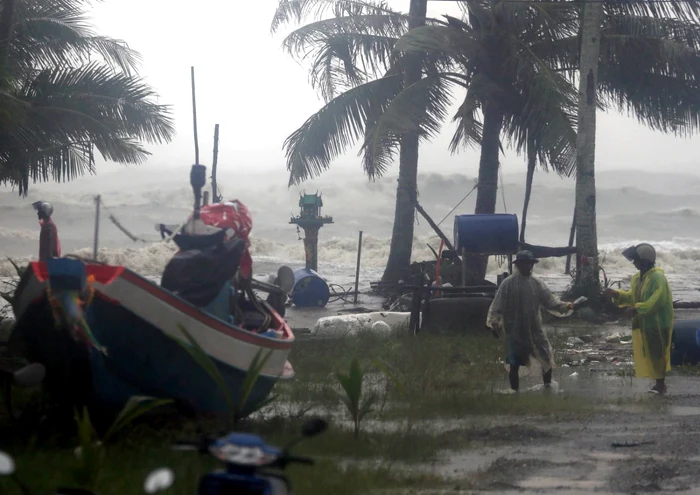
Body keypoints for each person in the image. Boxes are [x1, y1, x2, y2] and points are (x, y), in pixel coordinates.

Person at [487, 250, 574, 392]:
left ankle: (547, 387)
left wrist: (566, 305)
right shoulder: (508, 283)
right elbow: (497, 305)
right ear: (518, 265)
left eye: (529, 263)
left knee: (546, 357)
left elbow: (550, 302)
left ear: (532, 264)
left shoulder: (537, 283)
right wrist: (494, 322)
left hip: (534, 328)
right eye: (523, 263)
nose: (527, 266)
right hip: (514, 329)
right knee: (514, 363)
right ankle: (515, 391)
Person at [604, 243, 673, 394]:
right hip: (645, 322)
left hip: (658, 323)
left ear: (645, 260)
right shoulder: (638, 278)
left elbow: (657, 300)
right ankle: (658, 383)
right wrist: (617, 294)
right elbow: (632, 296)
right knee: (649, 351)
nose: (634, 263)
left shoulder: (657, 277)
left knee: (657, 352)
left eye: (636, 260)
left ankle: (660, 385)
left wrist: (637, 308)